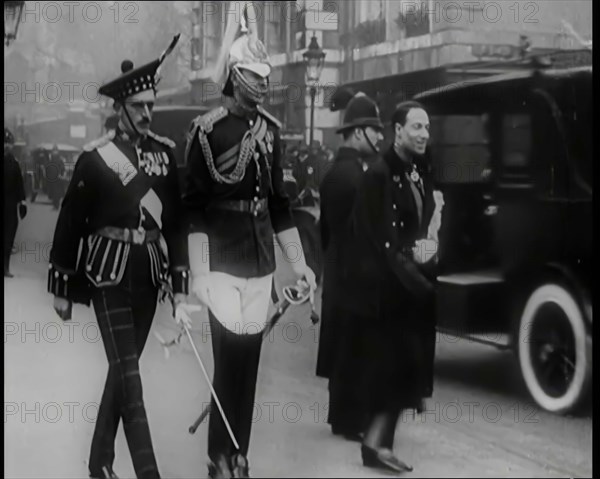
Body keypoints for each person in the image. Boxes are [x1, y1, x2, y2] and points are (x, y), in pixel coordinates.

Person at [183, 4, 316, 477]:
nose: (261, 85)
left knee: (249, 364)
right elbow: (194, 209)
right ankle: (219, 455)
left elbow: (278, 205)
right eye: (253, 76)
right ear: (235, 77)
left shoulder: (271, 134)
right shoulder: (206, 132)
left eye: (265, 76)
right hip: (220, 263)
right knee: (227, 361)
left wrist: (299, 264)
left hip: (259, 263)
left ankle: (240, 453)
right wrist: (198, 272)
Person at [48, 35, 188, 479]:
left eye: (152, 105)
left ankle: (99, 462)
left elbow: (177, 224)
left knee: (121, 371)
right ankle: (149, 472)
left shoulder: (165, 154)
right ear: (120, 108)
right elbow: (70, 220)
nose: (148, 113)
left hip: (148, 274)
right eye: (140, 106)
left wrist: (181, 288)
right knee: (129, 372)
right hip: (107, 273)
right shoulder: (95, 159)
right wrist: (62, 287)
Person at [340, 100, 442, 473]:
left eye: (427, 128)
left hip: (406, 288)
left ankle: (379, 445)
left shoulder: (415, 173)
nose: (424, 135)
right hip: (387, 293)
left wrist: (428, 252)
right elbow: (380, 241)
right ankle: (374, 445)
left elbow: (419, 227)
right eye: (416, 127)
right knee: (394, 371)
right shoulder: (380, 175)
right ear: (397, 131)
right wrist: (418, 281)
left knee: (404, 371)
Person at [316, 90, 384, 443]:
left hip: (341, 275)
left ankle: (343, 417)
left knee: (345, 346)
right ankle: (352, 419)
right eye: (375, 130)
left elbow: (325, 234)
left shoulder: (338, 173)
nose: (381, 137)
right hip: (355, 279)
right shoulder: (356, 177)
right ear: (358, 133)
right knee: (355, 346)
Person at [4, 128, 27, 277]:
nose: (7, 146)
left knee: (8, 238)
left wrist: (23, 202)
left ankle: (5, 268)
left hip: (10, 208)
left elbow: (19, 184)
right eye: (5, 143)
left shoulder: (14, 164)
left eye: (9, 143)